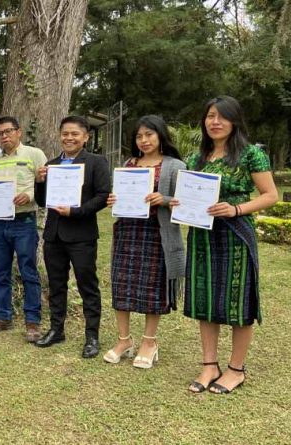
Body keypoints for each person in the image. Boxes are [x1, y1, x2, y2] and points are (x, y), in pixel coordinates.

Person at [179, 96, 277, 394]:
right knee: (204, 298)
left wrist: (235, 209)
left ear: (235, 121)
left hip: (235, 234)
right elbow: (189, 194)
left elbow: (270, 195)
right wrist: (176, 204)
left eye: (222, 117)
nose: (215, 122)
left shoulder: (251, 155)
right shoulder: (198, 157)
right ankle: (210, 365)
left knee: (237, 300)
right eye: (210, 116)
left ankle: (236, 369)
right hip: (202, 235)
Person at [102, 115, 186, 368]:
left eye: (149, 134)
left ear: (160, 135)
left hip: (157, 234)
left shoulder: (175, 165)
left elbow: (186, 203)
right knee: (122, 285)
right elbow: (123, 196)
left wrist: (164, 198)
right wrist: (113, 201)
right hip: (127, 232)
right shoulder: (129, 163)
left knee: (153, 288)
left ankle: (149, 342)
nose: (144, 140)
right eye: (139, 136)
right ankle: (124, 340)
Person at [34, 116, 110, 359]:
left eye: (75, 134)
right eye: (65, 133)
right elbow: (42, 201)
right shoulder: (52, 164)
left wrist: (76, 212)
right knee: (57, 285)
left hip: (81, 234)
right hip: (54, 234)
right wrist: (39, 181)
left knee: (87, 285)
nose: (69, 138)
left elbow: (102, 196)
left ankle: (92, 336)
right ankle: (56, 329)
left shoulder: (97, 162)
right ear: (59, 135)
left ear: (85, 137)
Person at [0, 117, 47, 342]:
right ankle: (3, 317)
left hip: (24, 221)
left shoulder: (34, 155)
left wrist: (31, 195)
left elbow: (47, 186)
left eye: (8, 131)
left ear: (19, 132)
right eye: (1, 133)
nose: (4, 136)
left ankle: (32, 321)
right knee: (1, 271)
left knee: (28, 271)